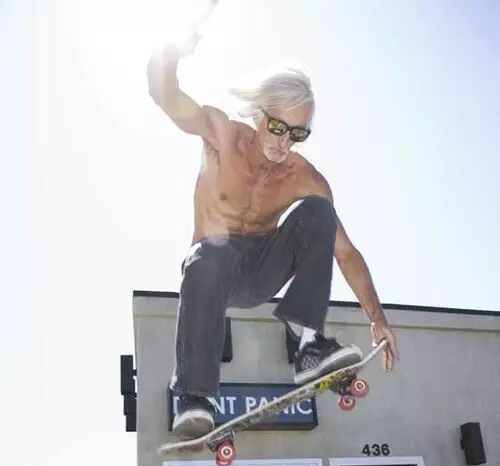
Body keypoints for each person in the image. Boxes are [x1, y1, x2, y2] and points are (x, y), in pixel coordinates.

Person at [147, 20, 399, 439]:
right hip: (213, 272)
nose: (284, 143)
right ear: (260, 114)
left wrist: (377, 318)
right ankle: (195, 396)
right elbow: (165, 96)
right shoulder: (221, 133)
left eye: (297, 134)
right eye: (278, 127)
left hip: (263, 271)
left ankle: (309, 344)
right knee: (209, 255)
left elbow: (346, 252)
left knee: (319, 211)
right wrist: (170, 52)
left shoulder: (304, 177)